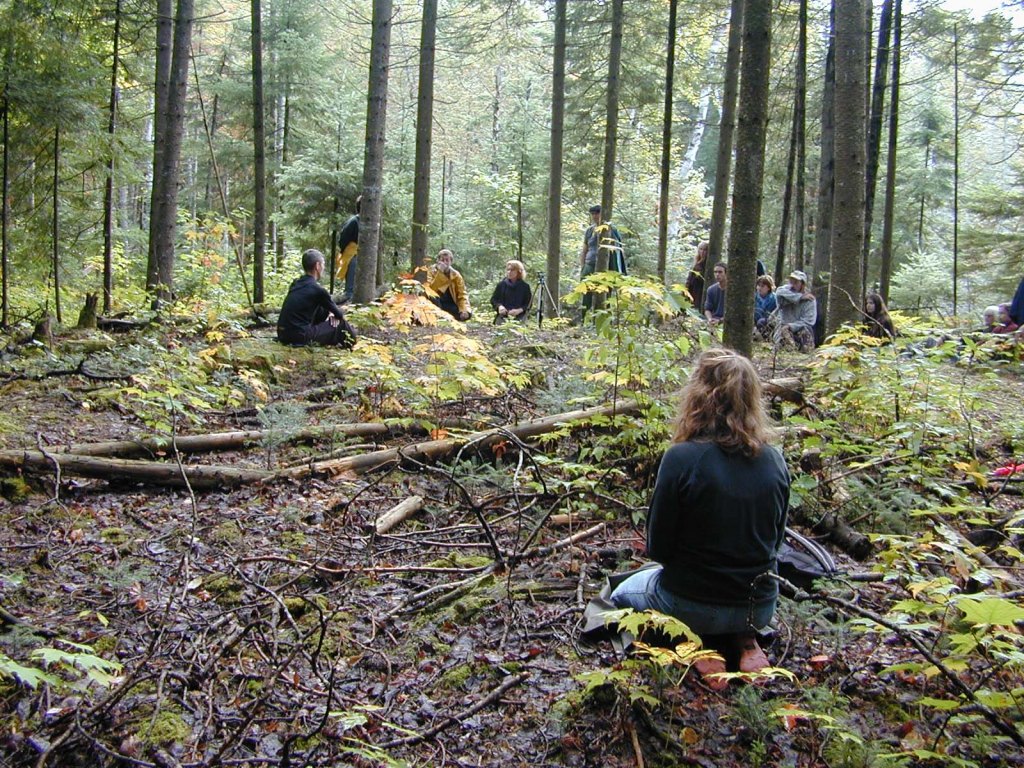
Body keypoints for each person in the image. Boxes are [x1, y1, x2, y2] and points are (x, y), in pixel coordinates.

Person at [609, 349, 790, 686]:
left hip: (690, 601)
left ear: (698, 395)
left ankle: (696, 644)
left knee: (621, 592)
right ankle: (746, 642)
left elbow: (658, 549)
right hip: (759, 607)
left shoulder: (681, 457)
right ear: (752, 399)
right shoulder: (774, 460)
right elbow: (775, 542)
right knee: (728, 593)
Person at [277, 249, 357, 348]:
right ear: (317, 266)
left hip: (282, 334)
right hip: (299, 337)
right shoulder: (318, 290)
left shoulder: (296, 283)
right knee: (341, 324)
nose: (323, 268)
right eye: (323, 264)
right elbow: (339, 314)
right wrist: (334, 314)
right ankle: (355, 345)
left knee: (321, 309)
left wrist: (330, 312)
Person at [580, 204, 626, 318]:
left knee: (605, 295)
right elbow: (585, 249)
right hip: (590, 264)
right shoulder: (590, 230)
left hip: (606, 268)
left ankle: (604, 320)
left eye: (597, 213)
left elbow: (618, 250)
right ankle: (585, 318)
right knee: (587, 293)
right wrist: (583, 265)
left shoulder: (611, 229)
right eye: (593, 214)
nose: (595, 216)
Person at [774, 270, 817, 352]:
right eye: (791, 281)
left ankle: (804, 349)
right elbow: (779, 292)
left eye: (796, 282)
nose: (792, 285)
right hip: (783, 327)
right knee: (782, 337)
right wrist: (800, 297)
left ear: (803, 284)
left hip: (799, 329)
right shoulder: (784, 292)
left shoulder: (810, 300)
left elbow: (809, 321)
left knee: (806, 331)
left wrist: (791, 326)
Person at [426, 249, 472, 321]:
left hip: (449, 304)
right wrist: (440, 273)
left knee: (467, 314)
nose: (445, 262)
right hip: (436, 302)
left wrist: (464, 309)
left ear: (451, 262)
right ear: (438, 261)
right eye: (442, 260)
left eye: (447, 260)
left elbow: (462, 294)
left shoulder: (456, 275)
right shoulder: (431, 271)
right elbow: (431, 291)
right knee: (434, 298)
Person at [335, 196, 361, 303]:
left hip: (359, 254)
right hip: (351, 255)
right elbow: (343, 238)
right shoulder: (354, 221)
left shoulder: (364, 222)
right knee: (350, 286)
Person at [685, 241, 709, 311]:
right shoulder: (697, 261)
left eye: (705, 250)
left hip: (700, 289)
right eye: (701, 249)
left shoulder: (707, 263)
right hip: (692, 288)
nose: (702, 252)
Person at [754, 275, 777, 339]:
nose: (759, 288)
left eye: (762, 286)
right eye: (758, 285)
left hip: (768, 324)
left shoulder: (774, 298)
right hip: (754, 324)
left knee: (761, 321)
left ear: (769, 287)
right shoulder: (754, 297)